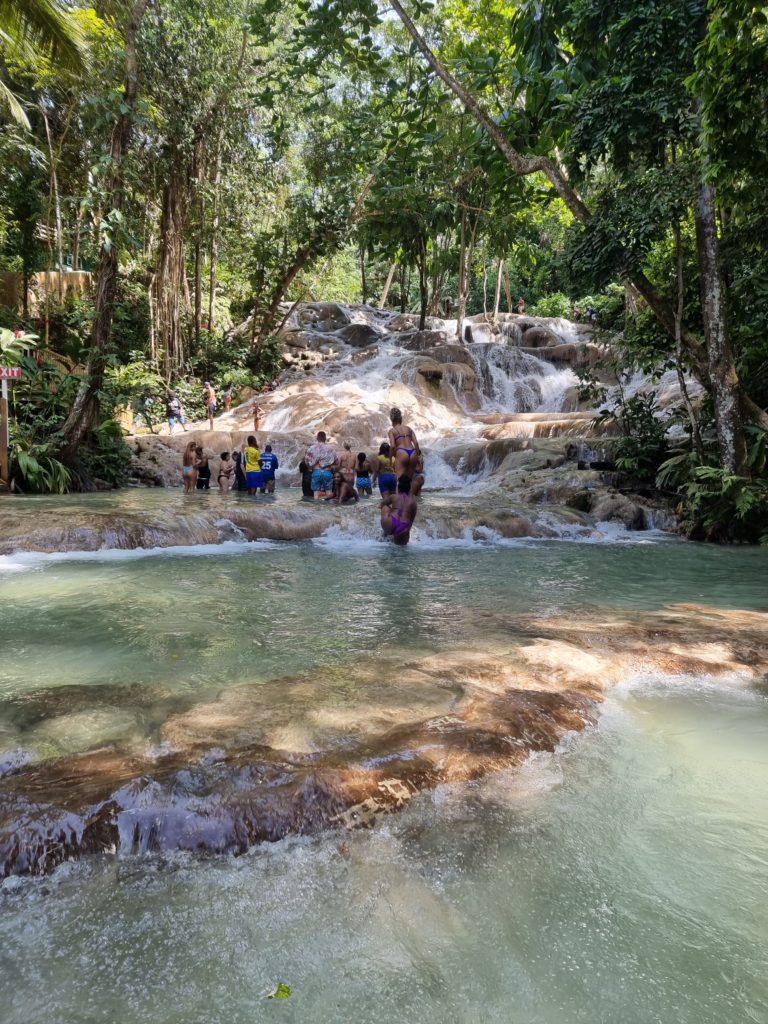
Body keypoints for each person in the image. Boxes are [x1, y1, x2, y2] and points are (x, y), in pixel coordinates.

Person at [381, 474, 417, 546]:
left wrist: (391, 510)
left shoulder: (393, 496)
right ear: (409, 488)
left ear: (398, 487)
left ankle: (385, 534)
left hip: (390, 522)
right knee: (400, 549)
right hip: (403, 527)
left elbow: (382, 504)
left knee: (385, 507)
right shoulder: (413, 503)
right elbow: (411, 521)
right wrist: (406, 534)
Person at [387, 407, 419, 480]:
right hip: (413, 452)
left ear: (391, 420)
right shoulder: (409, 429)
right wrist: (418, 457)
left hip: (401, 452)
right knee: (409, 480)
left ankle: (401, 491)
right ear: (401, 418)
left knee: (400, 481)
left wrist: (390, 459)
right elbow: (416, 443)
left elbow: (392, 446)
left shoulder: (392, 431)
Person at [304, 430, 337, 499]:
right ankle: (329, 508)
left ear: (317, 438)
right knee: (329, 492)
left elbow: (306, 461)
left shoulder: (311, 448)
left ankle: (316, 508)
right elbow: (336, 461)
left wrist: (310, 467)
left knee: (316, 494)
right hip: (327, 472)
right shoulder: (331, 449)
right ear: (325, 438)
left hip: (316, 472)